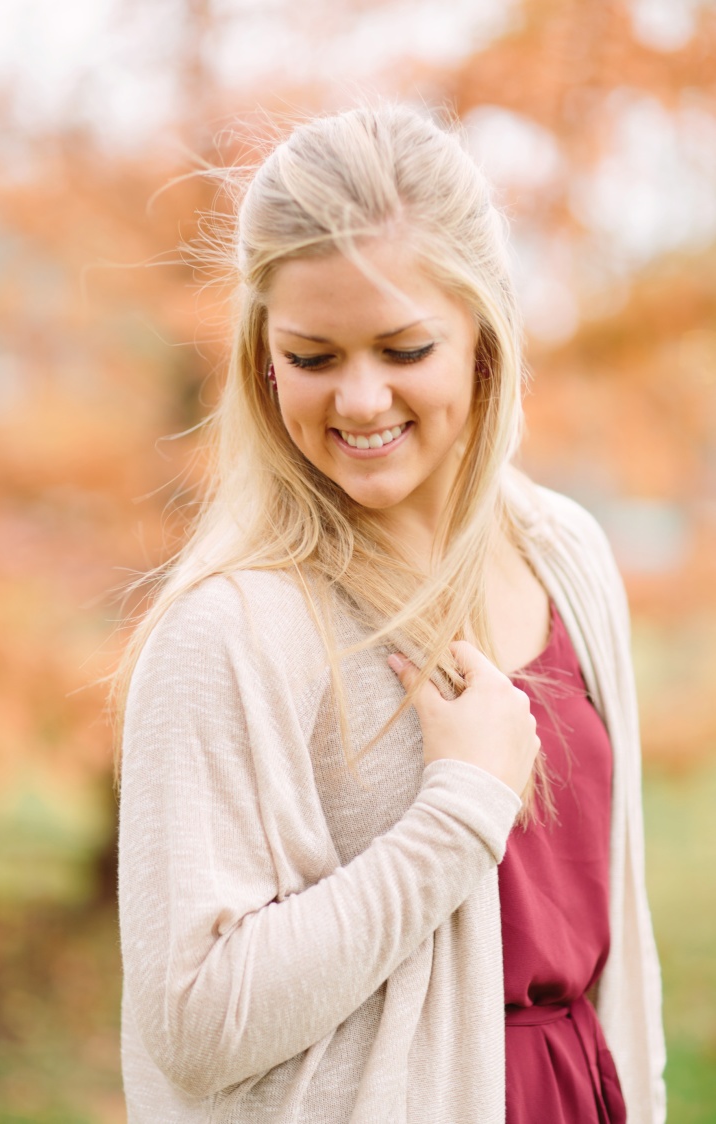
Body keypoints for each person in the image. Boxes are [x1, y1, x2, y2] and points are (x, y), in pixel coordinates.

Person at [116, 103, 666, 1123]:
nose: (361, 400)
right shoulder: (231, 632)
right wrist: (455, 813)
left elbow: (617, 952)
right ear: (261, 356)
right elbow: (192, 1021)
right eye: (314, 357)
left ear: (482, 338)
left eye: (405, 348)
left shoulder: (568, 555)